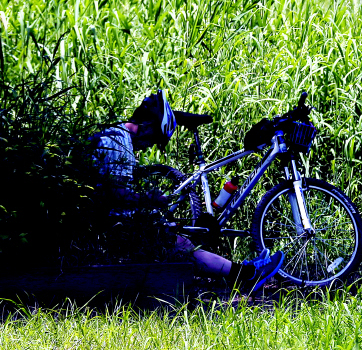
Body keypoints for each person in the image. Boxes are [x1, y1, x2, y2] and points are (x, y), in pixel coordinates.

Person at [90, 89, 284, 291]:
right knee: (182, 246)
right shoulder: (120, 144)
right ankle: (248, 275)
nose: (149, 146)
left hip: (113, 224)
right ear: (147, 125)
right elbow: (116, 195)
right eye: (154, 138)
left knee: (181, 242)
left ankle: (246, 272)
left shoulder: (116, 136)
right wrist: (149, 199)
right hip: (114, 229)